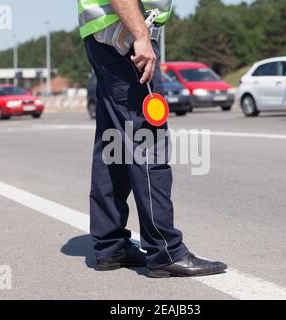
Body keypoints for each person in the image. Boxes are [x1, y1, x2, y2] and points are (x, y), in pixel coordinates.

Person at [77, 0, 227, 278]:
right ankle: (165, 250)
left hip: (105, 33)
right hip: (126, 35)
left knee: (113, 145)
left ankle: (111, 245)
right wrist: (142, 36)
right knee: (148, 141)